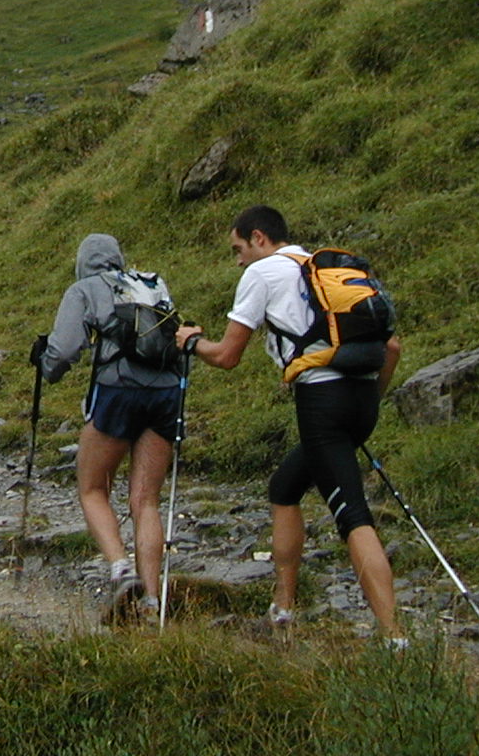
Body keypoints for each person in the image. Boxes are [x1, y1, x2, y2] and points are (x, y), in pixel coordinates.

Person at [175, 205, 404, 642]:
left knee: (352, 513)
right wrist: (367, 403)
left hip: (321, 403)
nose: (238, 259)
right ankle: (282, 608)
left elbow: (227, 356)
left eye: (238, 249)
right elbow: (390, 345)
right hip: (360, 397)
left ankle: (395, 638)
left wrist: (192, 343)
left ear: (259, 238)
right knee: (284, 488)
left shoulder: (262, 275)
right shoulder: (321, 269)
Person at [36, 233, 181, 619]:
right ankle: (151, 600)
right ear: (120, 257)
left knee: (92, 487)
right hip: (167, 391)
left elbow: (65, 349)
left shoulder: (84, 288)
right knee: (145, 499)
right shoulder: (151, 283)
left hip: (118, 391)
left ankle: (120, 568)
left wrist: (46, 365)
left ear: (83, 261)